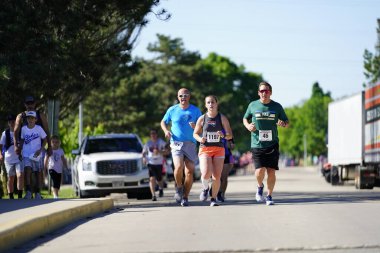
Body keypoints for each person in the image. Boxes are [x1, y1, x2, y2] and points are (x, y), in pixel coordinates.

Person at [243, 81, 289, 205]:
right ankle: (259, 187)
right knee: (259, 171)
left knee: (271, 171)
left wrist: (282, 123)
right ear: (259, 93)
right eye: (262, 91)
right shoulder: (253, 105)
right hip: (257, 143)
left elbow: (286, 122)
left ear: (271, 92)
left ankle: (269, 196)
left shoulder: (277, 106)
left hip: (272, 143)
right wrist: (248, 126)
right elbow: (245, 118)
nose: (264, 93)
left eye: (267, 91)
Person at [161, 88, 202, 207]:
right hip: (176, 143)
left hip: (190, 143)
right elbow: (163, 122)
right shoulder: (172, 109)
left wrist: (196, 127)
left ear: (189, 96)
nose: (183, 97)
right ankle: (179, 187)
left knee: (189, 171)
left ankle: (185, 197)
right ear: (178, 97)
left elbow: (202, 126)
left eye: (185, 95)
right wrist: (165, 130)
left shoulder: (195, 110)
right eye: (180, 95)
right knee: (178, 167)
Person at [193, 95, 233, 206]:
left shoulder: (222, 118)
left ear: (217, 103)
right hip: (205, 149)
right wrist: (200, 138)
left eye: (213, 102)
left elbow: (230, 135)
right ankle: (205, 188)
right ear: (205, 105)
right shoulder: (202, 118)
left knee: (216, 177)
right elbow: (195, 133)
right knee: (206, 173)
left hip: (219, 149)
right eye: (208, 102)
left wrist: (224, 135)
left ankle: (213, 199)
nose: (211, 104)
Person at [20, 111, 47, 199]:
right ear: (27, 119)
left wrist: (41, 149)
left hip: (37, 154)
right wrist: (20, 150)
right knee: (27, 171)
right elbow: (22, 140)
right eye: (28, 118)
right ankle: (28, 192)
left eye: (32, 118)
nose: (30, 120)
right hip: (26, 154)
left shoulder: (39, 128)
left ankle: (37, 193)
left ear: (35, 119)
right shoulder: (24, 129)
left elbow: (45, 139)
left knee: (37, 173)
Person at [0, 114, 23, 199]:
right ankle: (11, 196)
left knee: (20, 175)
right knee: (11, 177)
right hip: (9, 159)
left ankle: (20, 195)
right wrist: (0, 154)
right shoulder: (5, 133)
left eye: (13, 121)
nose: (12, 123)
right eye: (10, 122)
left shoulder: (20, 132)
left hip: (19, 158)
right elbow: (1, 145)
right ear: (8, 123)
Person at [142, 129, 167, 201]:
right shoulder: (148, 143)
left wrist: (159, 152)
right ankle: (153, 195)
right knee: (152, 179)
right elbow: (144, 152)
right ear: (150, 136)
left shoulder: (161, 142)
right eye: (151, 134)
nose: (153, 135)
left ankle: (161, 188)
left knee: (159, 179)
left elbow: (167, 151)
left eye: (154, 134)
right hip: (150, 163)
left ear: (156, 135)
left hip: (159, 163)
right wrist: (144, 158)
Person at [218, 137, 235, 202]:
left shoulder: (227, 132)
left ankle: (222, 194)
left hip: (226, 156)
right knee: (217, 177)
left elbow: (233, 147)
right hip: (214, 155)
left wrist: (230, 145)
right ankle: (215, 191)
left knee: (224, 177)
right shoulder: (211, 129)